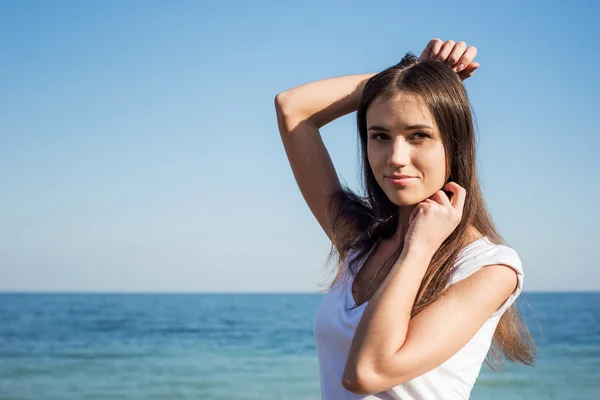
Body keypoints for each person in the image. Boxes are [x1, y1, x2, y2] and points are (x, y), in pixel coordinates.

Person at [274, 39, 536, 399]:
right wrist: (409, 77)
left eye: (418, 136)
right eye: (380, 136)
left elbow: (367, 372)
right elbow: (292, 108)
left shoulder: (490, 268)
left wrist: (419, 248)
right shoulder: (361, 242)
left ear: (454, 144)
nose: (396, 157)